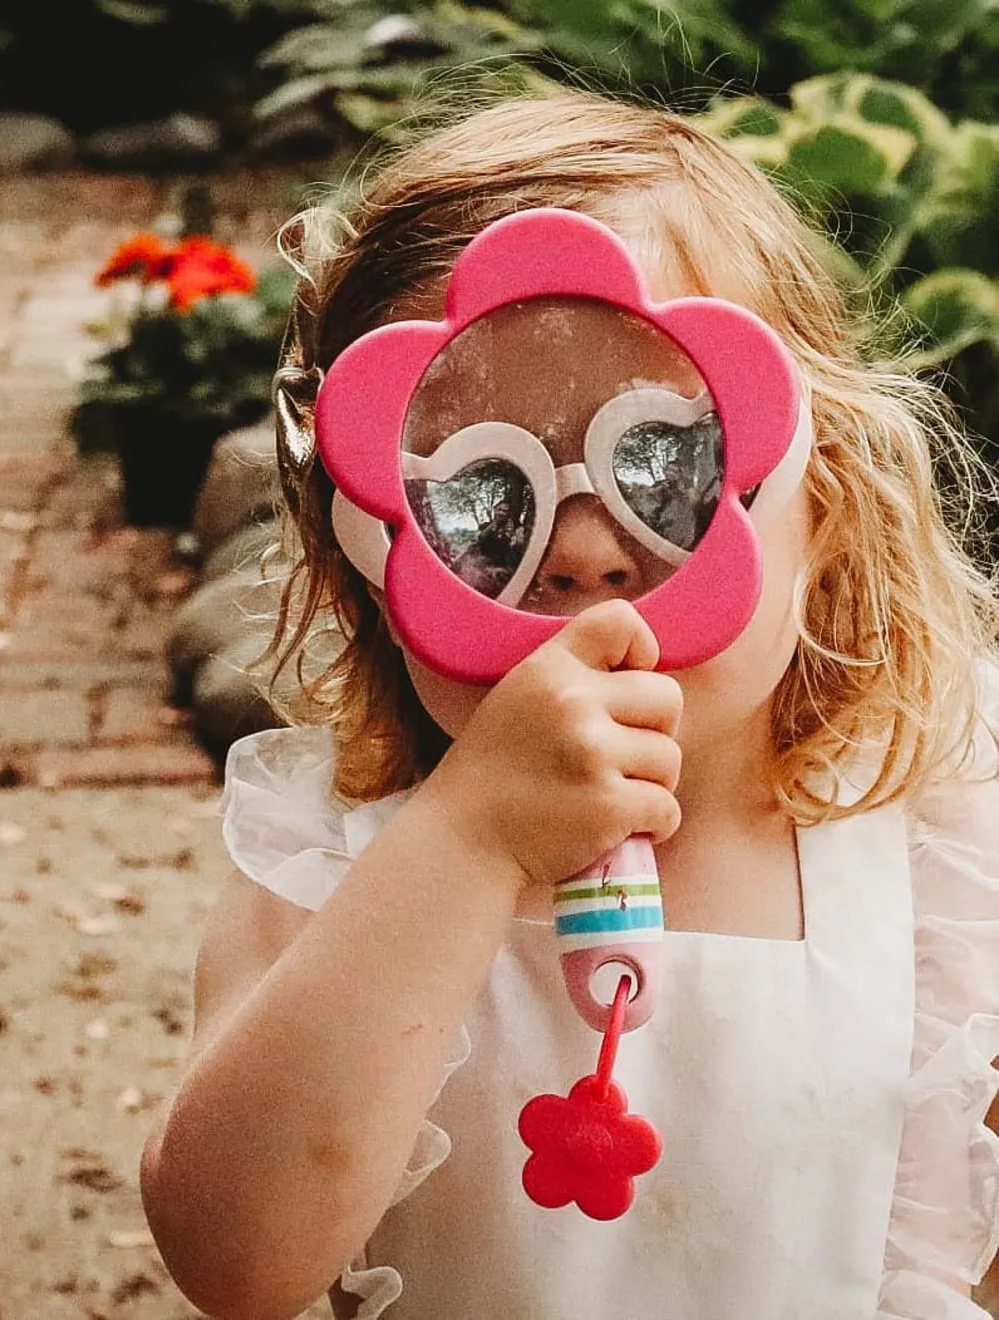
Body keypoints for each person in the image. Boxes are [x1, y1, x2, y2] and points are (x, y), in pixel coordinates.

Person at [140, 87, 999, 1320]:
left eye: (666, 466)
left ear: (832, 505)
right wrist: (470, 836)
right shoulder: (335, 865)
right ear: (370, 554)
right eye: (488, 500)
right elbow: (237, 1260)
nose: (587, 556)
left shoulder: (952, 853)